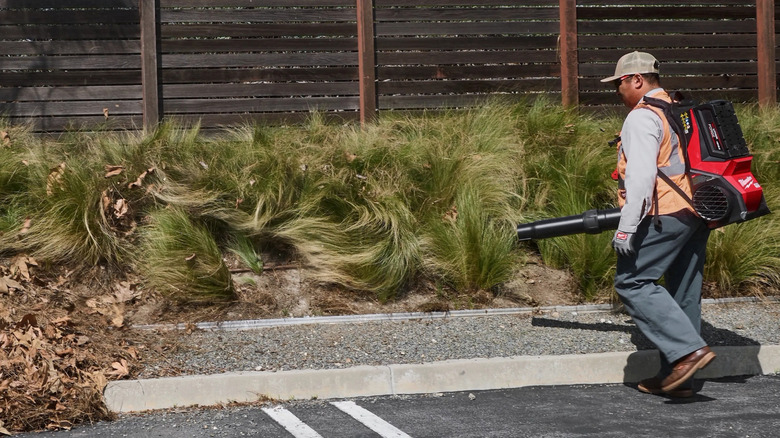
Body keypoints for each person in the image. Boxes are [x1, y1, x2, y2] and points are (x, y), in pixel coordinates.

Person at [601, 51, 715, 398]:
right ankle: (679, 379)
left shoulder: (642, 117)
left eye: (619, 83)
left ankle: (688, 352)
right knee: (684, 291)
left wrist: (626, 227)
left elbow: (641, 177)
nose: (617, 91)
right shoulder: (677, 108)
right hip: (696, 213)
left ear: (636, 79)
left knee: (632, 282)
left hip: (663, 214)